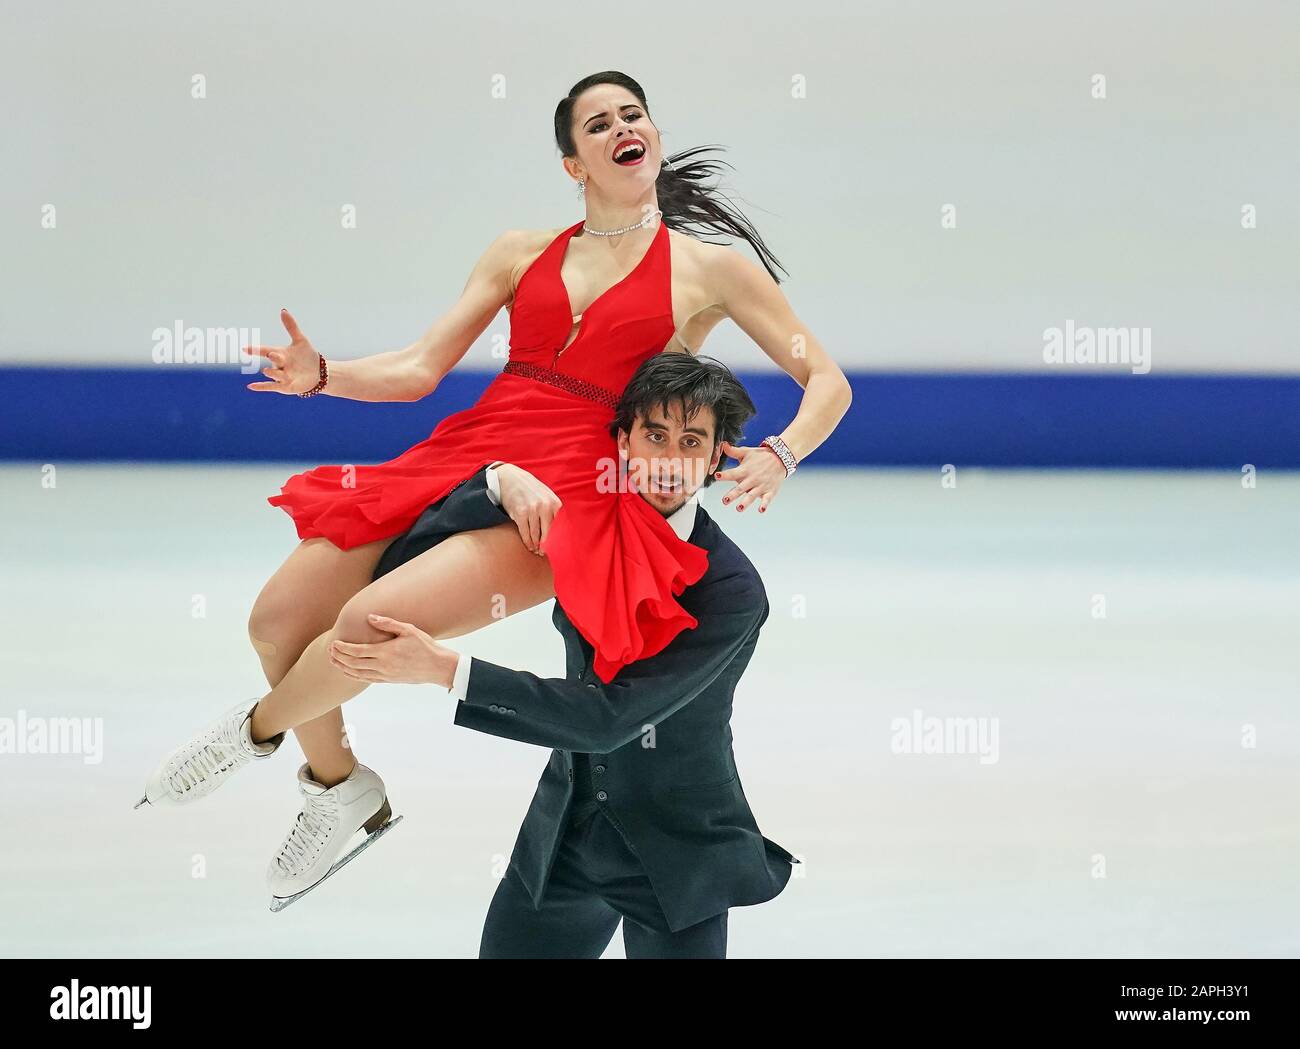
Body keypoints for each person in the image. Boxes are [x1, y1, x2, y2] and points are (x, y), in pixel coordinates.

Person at [135, 71, 849, 910]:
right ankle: (339, 787)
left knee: (368, 626)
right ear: (572, 163)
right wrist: (323, 374)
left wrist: (785, 451)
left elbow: (826, 377)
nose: (623, 126)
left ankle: (249, 735)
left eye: (634, 114)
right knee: (278, 619)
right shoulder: (521, 250)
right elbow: (419, 368)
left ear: (650, 135)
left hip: (569, 493)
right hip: (470, 451)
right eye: (598, 122)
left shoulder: (711, 270)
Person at [332, 353, 797, 958]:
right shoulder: (582, 521)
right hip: (564, 834)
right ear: (624, 439)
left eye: (690, 441)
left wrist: (448, 671)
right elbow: (423, 539)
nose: (666, 460)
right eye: (653, 435)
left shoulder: (731, 591)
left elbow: (610, 718)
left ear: (714, 458)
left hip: (677, 850)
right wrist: (498, 478)